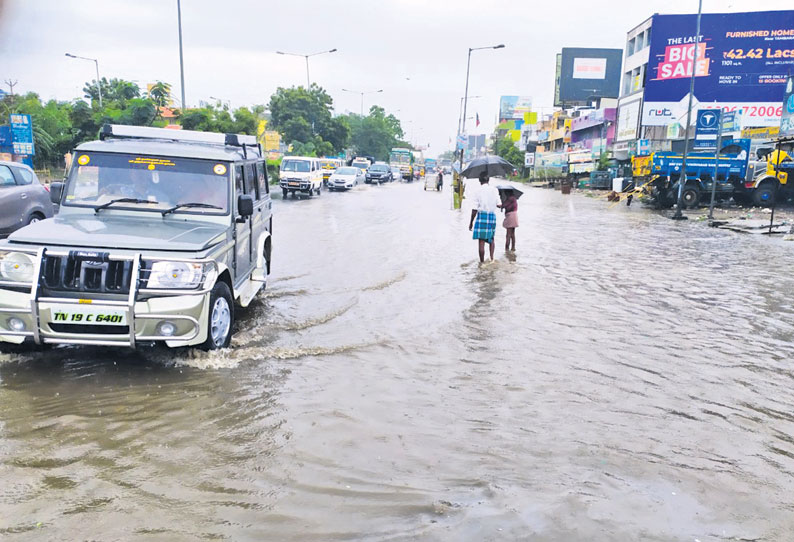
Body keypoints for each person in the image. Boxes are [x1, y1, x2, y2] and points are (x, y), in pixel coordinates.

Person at [468, 171, 500, 262]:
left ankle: (481, 262)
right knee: (491, 238)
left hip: (482, 216)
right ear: (488, 180)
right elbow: (499, 204)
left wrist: (471, 222)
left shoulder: (477, 191)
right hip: (491, 216)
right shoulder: (494, 190)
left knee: (481, 241)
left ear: (479, 180)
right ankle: (492, 259)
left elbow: (474, 209)